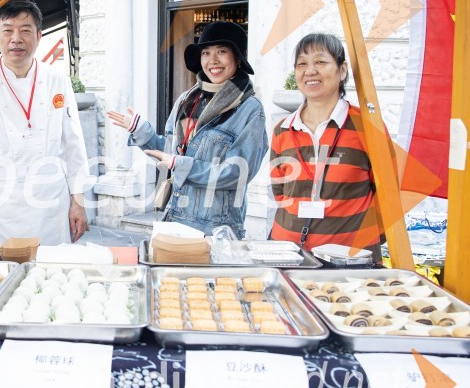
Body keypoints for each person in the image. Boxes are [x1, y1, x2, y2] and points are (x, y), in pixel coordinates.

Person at [108, 21, 267, 238]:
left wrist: (180, 165)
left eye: (222, 52)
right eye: (206, 53)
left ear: (237, 58)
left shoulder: (250, 109)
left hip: (216, 231)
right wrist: (140, 130)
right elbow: (169, 153)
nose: (213, 60)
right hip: (175, 219)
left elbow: (237, 172)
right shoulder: (187, 100)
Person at [0, 0, 90, 248]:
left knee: (53, 273)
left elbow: (74, 144)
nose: (16, 39)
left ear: (39, 36)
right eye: (7, 30)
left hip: (51, 199)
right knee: (6, 270)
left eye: (25, 30)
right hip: (4, 201)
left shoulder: (57, 80)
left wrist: (78, 201)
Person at [269, 33, 381, 259]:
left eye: (320, 62)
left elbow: (386, 196)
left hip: (350, 260)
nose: (310, 71)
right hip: (287, 255)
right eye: (302, 64)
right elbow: (280, 192)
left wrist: (364, 240)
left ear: (342, 70)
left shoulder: (367, 127)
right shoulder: (282, 129)